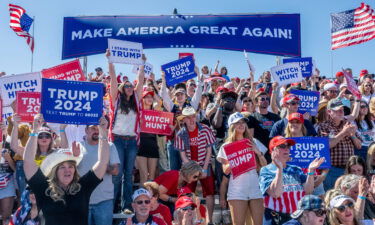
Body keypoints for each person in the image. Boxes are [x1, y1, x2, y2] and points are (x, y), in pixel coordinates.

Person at [23, 115, 109, 225]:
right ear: (54, 172)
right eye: (62, 167)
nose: (67, 170)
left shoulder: (82, 187)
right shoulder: (44, 188)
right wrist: (35, 131)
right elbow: (28, 162)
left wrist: (102, 132)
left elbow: (102, 163)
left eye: (71, 166)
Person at [107, 50, 145, 212]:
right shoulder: (116, 100)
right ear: (122, 89)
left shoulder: (136, 100)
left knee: (128, 175)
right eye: (127, 85)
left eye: (132, 85)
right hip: (117, 140)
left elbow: (141, 82)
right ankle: (113, 206)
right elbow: (114, 83)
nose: (130, 87)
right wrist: (110, 61)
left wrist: (142, 65)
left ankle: (127, 206)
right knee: (117, 174)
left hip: (131, 142)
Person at [259, 136, 324, 225]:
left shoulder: (296, 169)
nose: (286, 149)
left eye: (288, 146)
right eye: (282, 146)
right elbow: (275, 193)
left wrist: (311, 171)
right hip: (276, 218)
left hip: (296, 218)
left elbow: (308, 191)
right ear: (272, 151)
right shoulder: (266, 170)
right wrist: (280, 169)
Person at [217, 112, 267, 225]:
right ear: (231, 126)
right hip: (237, 191)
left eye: (243, 122)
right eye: (237, 123)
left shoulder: (253, 142)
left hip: (255, 188)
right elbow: (225, 170)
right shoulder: (225, 147)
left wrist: (257, 151)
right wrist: (235, 156)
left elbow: (264, 166)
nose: (241, 124)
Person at [174, 106, 216, 224]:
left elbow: (209, 151)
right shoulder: (181, 133)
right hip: (189, 168)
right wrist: (192, 169)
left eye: (193, 116)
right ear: (184, 120)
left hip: (204, 164)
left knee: (209, 193)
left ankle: (210, 221)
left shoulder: (205, 129)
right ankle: (189, 221)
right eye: (188, 117)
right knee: (187, 193)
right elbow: (182, 154)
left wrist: (204, 169)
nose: (192, 120)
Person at [77, 123, 120, 225]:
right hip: (82, 201)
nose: (96, 131)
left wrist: (101, 165)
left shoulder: (110, 146)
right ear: (86, 130)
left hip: (104, 201)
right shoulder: (78, 147)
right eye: (93, 128)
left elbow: (115, 171)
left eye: (98, 128)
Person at [318, 98, 362, 190]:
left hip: (349, 169)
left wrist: (352, 135)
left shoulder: (348, 124)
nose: (341, 112)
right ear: (329, 112)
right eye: (338, 110)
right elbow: (327, 145)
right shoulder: (324, 126)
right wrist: (343, 133)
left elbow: (359, 145)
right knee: (332, 195)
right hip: (333, 169)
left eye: (342, 110)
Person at [137, 91, 161, 186]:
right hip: (141, 145)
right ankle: (141, 199)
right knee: (143, 176)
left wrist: (153, 92)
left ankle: (150, 200)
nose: (150, 98)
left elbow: (159, 102)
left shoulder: (155, 111)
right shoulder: (138, 111)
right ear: (142, 99)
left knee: (151, 178)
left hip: (153, 145)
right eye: (146, 97)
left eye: (151, 97)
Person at [0, 148, 16, 225]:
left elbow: (16, 169)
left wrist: (8, 158)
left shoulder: (10, 145)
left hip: (7, 183)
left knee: (6, 216)